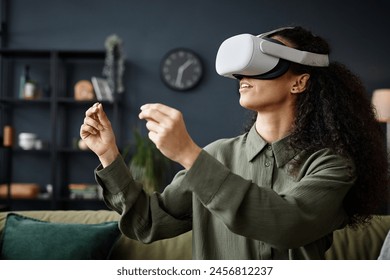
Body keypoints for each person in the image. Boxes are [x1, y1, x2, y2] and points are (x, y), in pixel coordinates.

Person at [80, 26, 388, 260]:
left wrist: (189, 154)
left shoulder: (330, 164)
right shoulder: (218, 155)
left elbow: (286, 226)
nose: (243, 74)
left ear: (299, 81)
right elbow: (146, 223)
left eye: (265, 58)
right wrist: (108, 155)